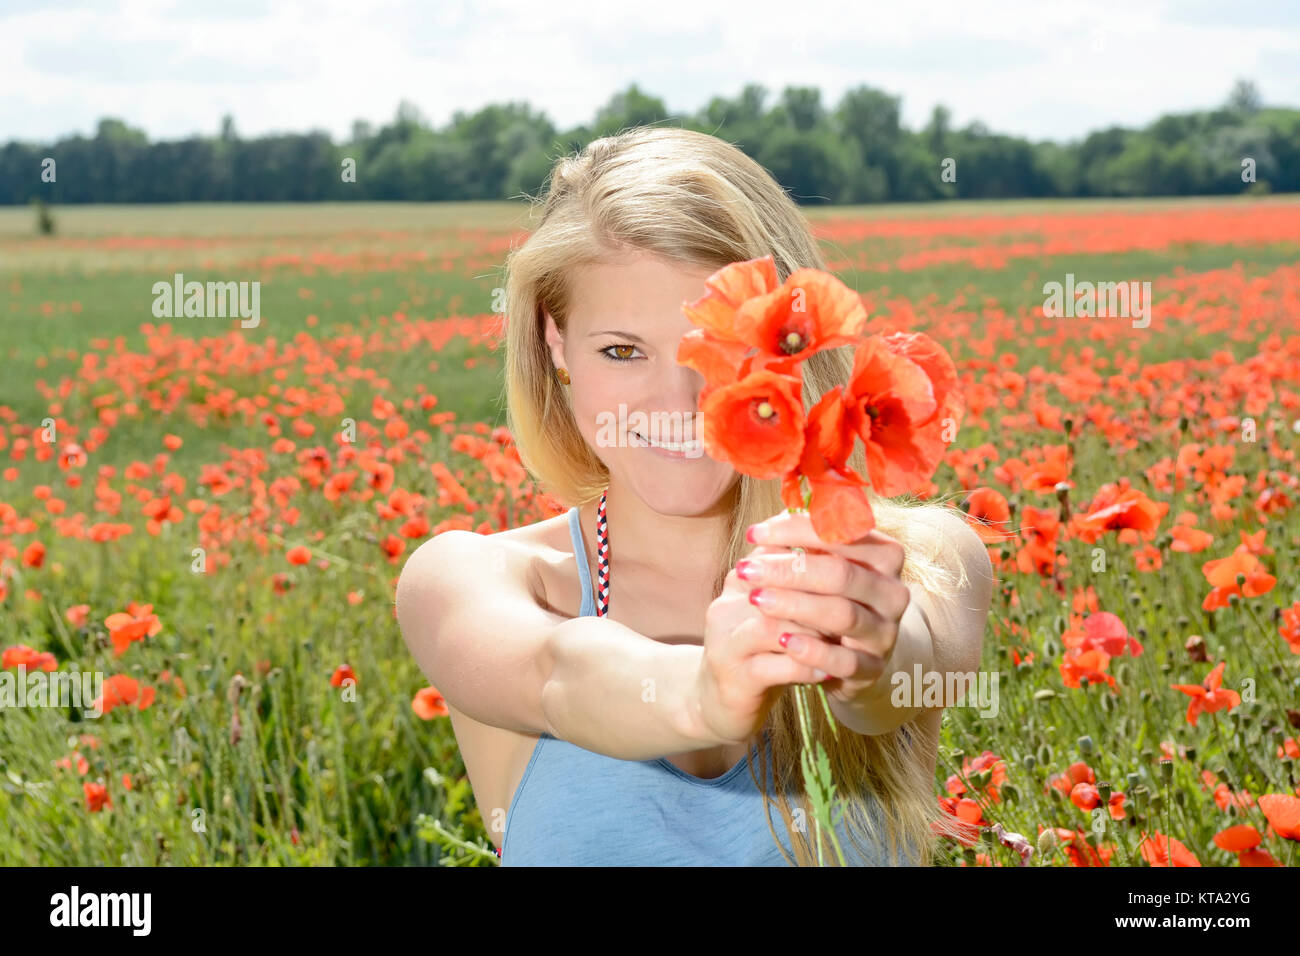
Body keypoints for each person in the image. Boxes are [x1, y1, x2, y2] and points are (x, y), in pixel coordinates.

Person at [396, 126, 993, 866]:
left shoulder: (921, 563)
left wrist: (862, 656)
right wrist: (700, 696)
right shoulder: (477, 581)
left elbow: (899, 679)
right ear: (556, 345)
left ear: (792, 342)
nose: (677, 401)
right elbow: (559, 673)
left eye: (716, 351)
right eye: (622, 351)